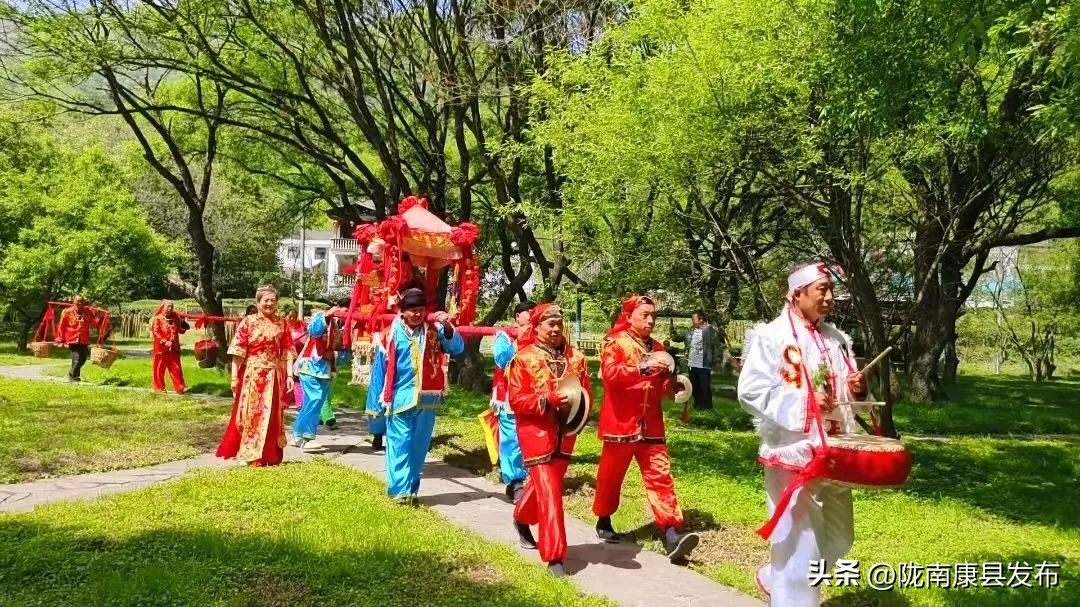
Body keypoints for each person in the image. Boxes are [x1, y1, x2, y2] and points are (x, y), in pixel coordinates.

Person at [737, 262, 867, 606]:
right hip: (792, 451)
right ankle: (791, 595)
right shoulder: (771, 336)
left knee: (840, 538)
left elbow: (852, 397)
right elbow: (749, 392)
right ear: (797, 294)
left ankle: (772, 578)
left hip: (836, 451)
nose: (829, 297)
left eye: (830, 289)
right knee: (801, 545)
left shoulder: (837, 339)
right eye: (821, 289)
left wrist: (857, 389)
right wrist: (805, 402)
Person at [593, 295, 699, 562]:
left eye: (653, 316)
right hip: (620, 424)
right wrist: (642, 367)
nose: (651, 320)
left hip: (651, 424)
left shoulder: (659, 347)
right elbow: (610, 376)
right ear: (629, 316)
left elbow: (661, 383)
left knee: (661, 477)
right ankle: (604, 520)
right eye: (645, 315)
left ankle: (671, 533)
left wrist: (670, 387)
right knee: (611, 476)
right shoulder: (614, 342)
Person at [507, 303, 592, 577]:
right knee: (551, 492)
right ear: (537, 327)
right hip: (535, 433)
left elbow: (586, 395)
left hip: (566, 434)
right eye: (549, 324)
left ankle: (521, 517)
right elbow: (517, 400)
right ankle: (555, 556)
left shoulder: (576, 359)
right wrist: (547, 399)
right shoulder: (524, 358)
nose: (556, 329)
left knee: (546, 486)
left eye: (559, 324)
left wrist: (582, 416)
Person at [365, 288, 464, 502]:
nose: (417, 314)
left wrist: (447, 326)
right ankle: (399, 491)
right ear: (402, 312)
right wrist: (376, 403)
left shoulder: (434, 330)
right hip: (400, 399)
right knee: (399, 444)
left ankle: (411, 490)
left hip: (427, 400)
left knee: (419, 449)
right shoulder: (389, 335)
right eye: (412, 311)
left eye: (420, 310)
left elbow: (456, 347)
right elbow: (380, 371)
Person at [216, 285, 295, 467]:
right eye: (266, 300)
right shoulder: (248, 322)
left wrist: (290, 375)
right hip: (253, 375)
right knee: (252, 413)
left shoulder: (282, 323)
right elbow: (238, 352)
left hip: (274, 376)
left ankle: (270, 454)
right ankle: (250, 453)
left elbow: (288, 351)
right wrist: (234, 378)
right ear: (258, 302)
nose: (270, 304)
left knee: (273, 415)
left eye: (273, 301)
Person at [490, 300, 536, 502]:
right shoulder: (504, 336)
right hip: (509, 397)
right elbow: (502, 359)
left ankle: (534, 481)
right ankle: (515, 482)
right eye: (528, 312)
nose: (531, 315)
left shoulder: (541, 338)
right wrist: (523, 340)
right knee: (512, 441)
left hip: (535, 397)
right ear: (517, 316)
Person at [291, 308, 335, 451]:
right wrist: (326, 315)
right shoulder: (320, 319)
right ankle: (308, 436)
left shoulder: (340, 326)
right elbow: (315, 330)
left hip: (325, 371)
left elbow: (343, 349)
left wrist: (334, 354)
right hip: (310, 367)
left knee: (313, 402)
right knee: (315, 400)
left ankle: (298, 435)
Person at [684, 311, 722, 411]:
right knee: (695, 386)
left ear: (701, 319)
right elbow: (683, 338)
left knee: (705, 387)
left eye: (694, 319)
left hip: (704, 364)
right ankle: (698, 406)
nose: (692, 321)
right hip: (692, 363)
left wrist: (717, 359)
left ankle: (708, 407)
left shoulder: (709, 329)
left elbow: (716, 345)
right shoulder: (691, 331)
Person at [150, 299, 190, 394]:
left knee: (176, 368)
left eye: (171, 306)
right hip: (161, 349)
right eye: (168, 306)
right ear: (162, 307)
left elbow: (180, 330)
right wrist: (164, 341)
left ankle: (180, 387)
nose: (170, 308)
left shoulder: (176, 318)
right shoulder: (158, 319)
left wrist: (183, 322)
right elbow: (156, 332)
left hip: (174, 347)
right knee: (159, 368)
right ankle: (159, 388)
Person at [55, 296, 98, 382]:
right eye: (78, 301)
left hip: (84, 338)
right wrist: (60, 338)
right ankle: (74, 377)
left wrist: (100, 317)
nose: (80, 303)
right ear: (73, 302)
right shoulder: (67, 312)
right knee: (77, 358)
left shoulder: (88, 311)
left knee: (84, 358)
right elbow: (61, 326)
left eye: (81, 302)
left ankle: (72, 374)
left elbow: (94, 322)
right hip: (72, 338)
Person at [283, 306, 308, 409]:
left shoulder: (302, 326)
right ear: (285, 316)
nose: (292, 319)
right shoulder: (283, 326)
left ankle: (299, 401)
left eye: (294, 317)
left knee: (297, 377)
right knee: (286, 377)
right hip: (286, 355)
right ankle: (285, 401)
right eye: (290, 317)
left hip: (299, 355)